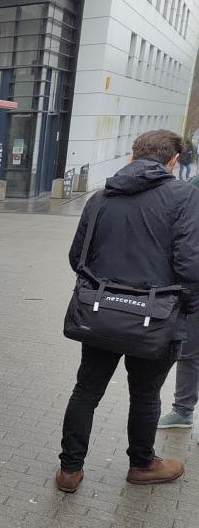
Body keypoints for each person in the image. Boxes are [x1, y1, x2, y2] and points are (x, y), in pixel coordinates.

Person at [56, 129, 199, 492]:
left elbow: (77, 258)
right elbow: (189, 266)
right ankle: (142, 464)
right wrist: (188, 307)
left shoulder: (100, 197)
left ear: (133, 156)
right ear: (173, 160)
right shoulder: (184, 196)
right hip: (158, 318)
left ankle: (69, 471)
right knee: (146, 392)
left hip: (100, 313)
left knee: (86, 388)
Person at [157, 171, 199, 430]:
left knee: (191, 350)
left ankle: (183, 409)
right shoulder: (194, 186)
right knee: (190, 349)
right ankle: (183, 410)